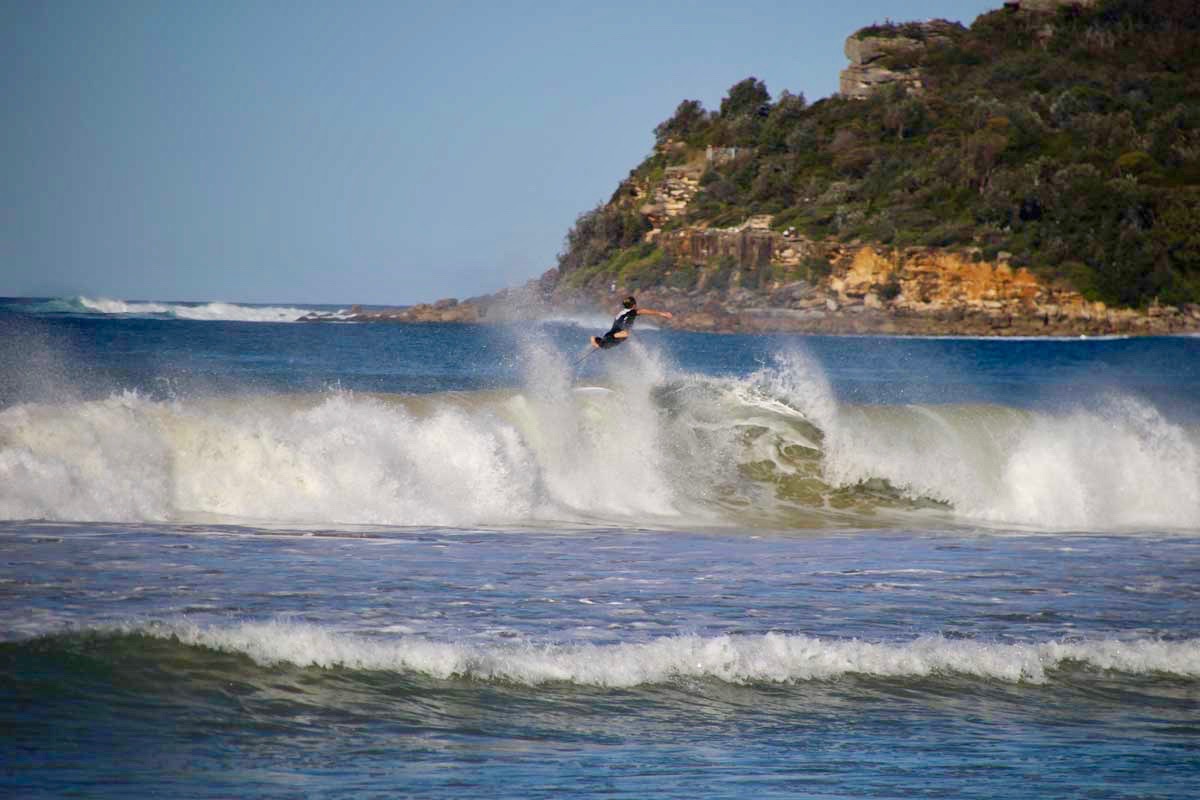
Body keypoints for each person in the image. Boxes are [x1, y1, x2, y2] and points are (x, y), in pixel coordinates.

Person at [590, 295, 673, 349]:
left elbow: (621, 323)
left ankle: (595, 339)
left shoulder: (622, 312)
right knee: (625, 334)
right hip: (614, 335)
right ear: (633, 305)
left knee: (606, 346)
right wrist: (662, 313)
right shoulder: (631, 312)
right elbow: (643, 311)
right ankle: (597, 340)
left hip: (609, 336)